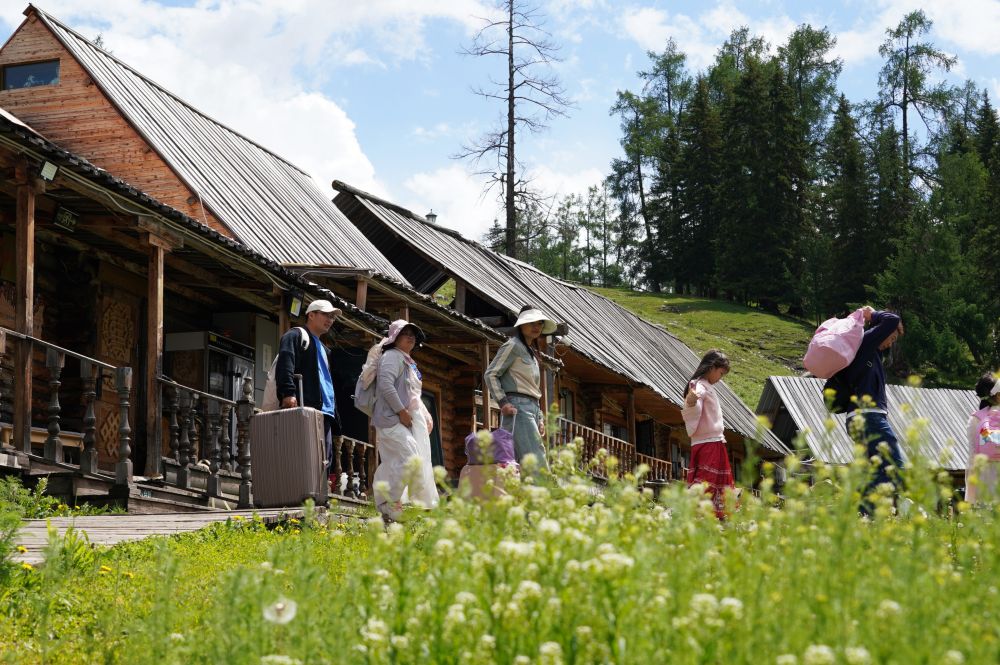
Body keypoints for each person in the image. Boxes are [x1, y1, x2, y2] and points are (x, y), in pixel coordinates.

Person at [371, 320, 438, 520]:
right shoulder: (391, 356)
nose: (410, 336)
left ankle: (395, 502)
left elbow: (413, 393)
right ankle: (387, 502)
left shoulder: (407, 360)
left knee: (400, 460)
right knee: (410, 458)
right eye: (405, 333)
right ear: (394, 337)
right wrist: (401, 411)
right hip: (391, 418)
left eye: (413, 333)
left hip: (405, 420)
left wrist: (424, 414)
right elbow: (385, 385)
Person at [840, 306, 904, 511]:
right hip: (869, 416)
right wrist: (872, 314)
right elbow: (892, 320)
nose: (890, 343)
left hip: (860, 418)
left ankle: (864, 515)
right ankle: (870, 511)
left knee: (873, 469)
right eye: (891, 338)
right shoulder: (866, 342)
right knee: (895, 465)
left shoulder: (870, 352)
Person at [275, 299, 343, 487]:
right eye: (325, 314)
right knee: (302, 454)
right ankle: (298, 495)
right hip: (304, 406)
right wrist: (288, 392)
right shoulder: (296, 336)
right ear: (311, 314)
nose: (330, 320)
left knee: (324, 458)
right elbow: (286, 363)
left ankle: (318, 497)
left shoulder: (325, 350)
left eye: (332, 317)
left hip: (326, 411)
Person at [484, 305, 556, 467]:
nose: (536, 327)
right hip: (518, 407)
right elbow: (491, 374)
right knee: (536, 458)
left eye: (539, 323)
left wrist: (540, 418)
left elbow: (533, 390)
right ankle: (544, 492)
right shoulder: (512, 345)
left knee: (519, 462)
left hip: (532, 408)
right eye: (531, 323)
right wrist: (503, 402)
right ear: (521, 325)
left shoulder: (531, 352)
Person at [682, 350, 735, 519]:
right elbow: (695, 398)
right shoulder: (699, 385)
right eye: (720, 373)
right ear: (712, 368)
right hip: (709, 441)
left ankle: (712, 513)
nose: (720, 378)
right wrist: (692, 400)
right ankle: (697, 511)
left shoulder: (705, 385)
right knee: (707, 479)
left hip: (711, 440)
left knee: (712, 478)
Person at [965, 373, 1000, 504]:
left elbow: (972, 455)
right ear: (997, 394)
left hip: (981, 480)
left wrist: (970, 496)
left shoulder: (975, 418)